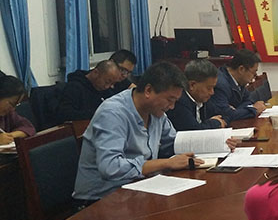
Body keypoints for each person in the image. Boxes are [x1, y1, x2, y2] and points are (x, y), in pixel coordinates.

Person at [73, 62, 202, 205]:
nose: (171, 107)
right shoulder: (113, 113)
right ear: (148, 90)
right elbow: (110, 167)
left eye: (175, 101)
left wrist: (212, 146)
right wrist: (166, 163)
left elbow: (173, 142)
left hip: (139, 189)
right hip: (100, 200)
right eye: (169, 100)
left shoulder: (156, 112)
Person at [207, 50, 268, 122]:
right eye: (254, 73)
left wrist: (237, 111)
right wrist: (254, 110)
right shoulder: (220, 84)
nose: (254, 77)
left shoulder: (240, 81)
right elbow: (226, 115)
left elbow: (248, 100)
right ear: (241, 69)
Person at [167, 59, 227, 131]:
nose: (212, 92)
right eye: (209, 88)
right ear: (192, 85)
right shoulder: (179, 102)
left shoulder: (202, 99)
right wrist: (216, 123)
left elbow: (225, 115)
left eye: (213, 88)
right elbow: (194, 131)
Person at [55, 60, 121, 124]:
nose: (107, 86)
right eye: (107, 82)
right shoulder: (74, 87)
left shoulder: (106, 90)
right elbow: (65, 114)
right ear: (95, 73)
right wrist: (96, 114)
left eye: (112, 84)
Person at [0, 75, 36, 144]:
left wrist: (9, 136)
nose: (13, 109)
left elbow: (29, 128)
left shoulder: (8, 113)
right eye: (11, 104)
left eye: (16, 105)